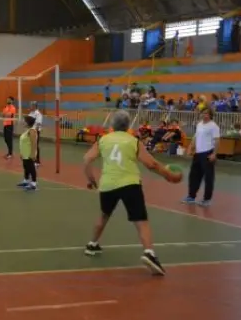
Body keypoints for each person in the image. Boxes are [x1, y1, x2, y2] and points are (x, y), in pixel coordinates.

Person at [83, 110, 181, 276]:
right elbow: (151, 164)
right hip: (129, 183)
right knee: (141, 220)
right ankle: (149, 253)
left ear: (112, 125)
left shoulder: (103, 140)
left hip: (108, 184)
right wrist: (168, 175)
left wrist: (91, 179)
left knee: (104, 214)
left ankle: (92, 244)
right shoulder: (133, 141)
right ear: (128, 125)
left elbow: (87, 159)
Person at [183, 108, 220, 207]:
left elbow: (217, 140)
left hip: (208, 153)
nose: (205, 115)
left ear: (210, 115)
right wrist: (191, 147)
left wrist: (214, 154)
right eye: (203, 113)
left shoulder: (213, 126)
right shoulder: (199, 124)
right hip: (198, 154)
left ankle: (207, 199)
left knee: (208, 177)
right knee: (194, 175)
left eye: (207, 113)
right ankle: (191, 196)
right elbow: (195, 137)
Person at [16, 115, 39, 191]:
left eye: (24, 120)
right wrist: (21, 153)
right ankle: (26, 181)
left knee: (31, 167)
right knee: (26, 167)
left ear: (27, 122)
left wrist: (33, 154)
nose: (23, 122)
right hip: (25, 153)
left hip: (29, 153)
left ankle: (34, 183)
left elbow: (34, 143)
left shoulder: (32, 131)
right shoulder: (27, 130)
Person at [28, 102, 43, 166]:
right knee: (31, 145)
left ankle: (37, 161)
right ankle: (32, 159)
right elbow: (27, 121)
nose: (30, 107)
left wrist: (35, 131)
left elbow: (39, 123)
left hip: (35, 131)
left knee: (35, 145)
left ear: (34, 106)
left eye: (31, 106)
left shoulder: (38, 114)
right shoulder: (31, 113)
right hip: (30, 130)